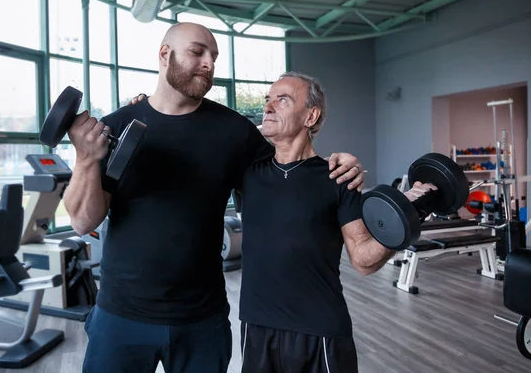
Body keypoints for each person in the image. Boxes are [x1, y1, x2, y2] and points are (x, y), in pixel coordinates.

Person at [63, 22, 366, 373]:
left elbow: (291, 167)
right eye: (197, 52)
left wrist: (342, 165)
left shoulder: (234, 132)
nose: (209, 63)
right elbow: (84, 221)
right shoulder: (118, 125)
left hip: (201, 321)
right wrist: (86, 158)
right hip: (120, 316)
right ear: (165, 55)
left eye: (214, 56)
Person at [234, 71, 436, 373]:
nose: (268, 107)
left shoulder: (338, 177)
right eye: (267, 100)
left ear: (310, 116)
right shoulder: (246, 172)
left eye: (283, 100)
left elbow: (363, 261)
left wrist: (407, 214)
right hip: (257, 327)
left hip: (320, 329)